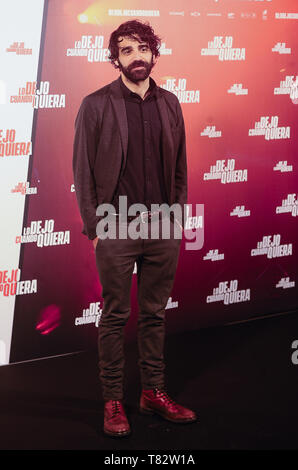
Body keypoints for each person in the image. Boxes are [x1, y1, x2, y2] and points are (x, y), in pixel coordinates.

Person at [73, 19, 196, 437]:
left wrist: (177, 217)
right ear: (116, 59)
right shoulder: (95, 105)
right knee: (114, 316)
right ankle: (112, 401)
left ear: (154, 53)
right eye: (127, 50)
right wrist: (95, 227)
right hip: (115, 226)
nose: (136, 56)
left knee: (154, 315)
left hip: (163, 226)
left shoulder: (171, 103)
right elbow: (82, 171)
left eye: (143, 48)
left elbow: (180, 167)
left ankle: (153, 392)